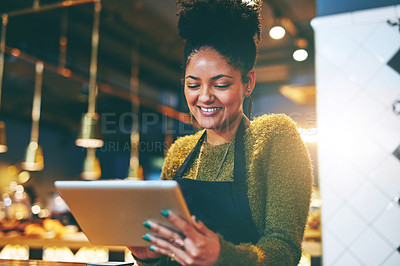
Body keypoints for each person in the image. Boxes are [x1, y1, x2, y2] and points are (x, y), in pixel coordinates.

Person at [129, 0, 313, 265]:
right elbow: (172, 251)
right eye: (193, 84)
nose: (204, 97)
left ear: (248, 82)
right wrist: (148, 257)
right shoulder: (180, 153)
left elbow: (284, 250)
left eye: (221, 84)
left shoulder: (274, 137)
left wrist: (221, 256)